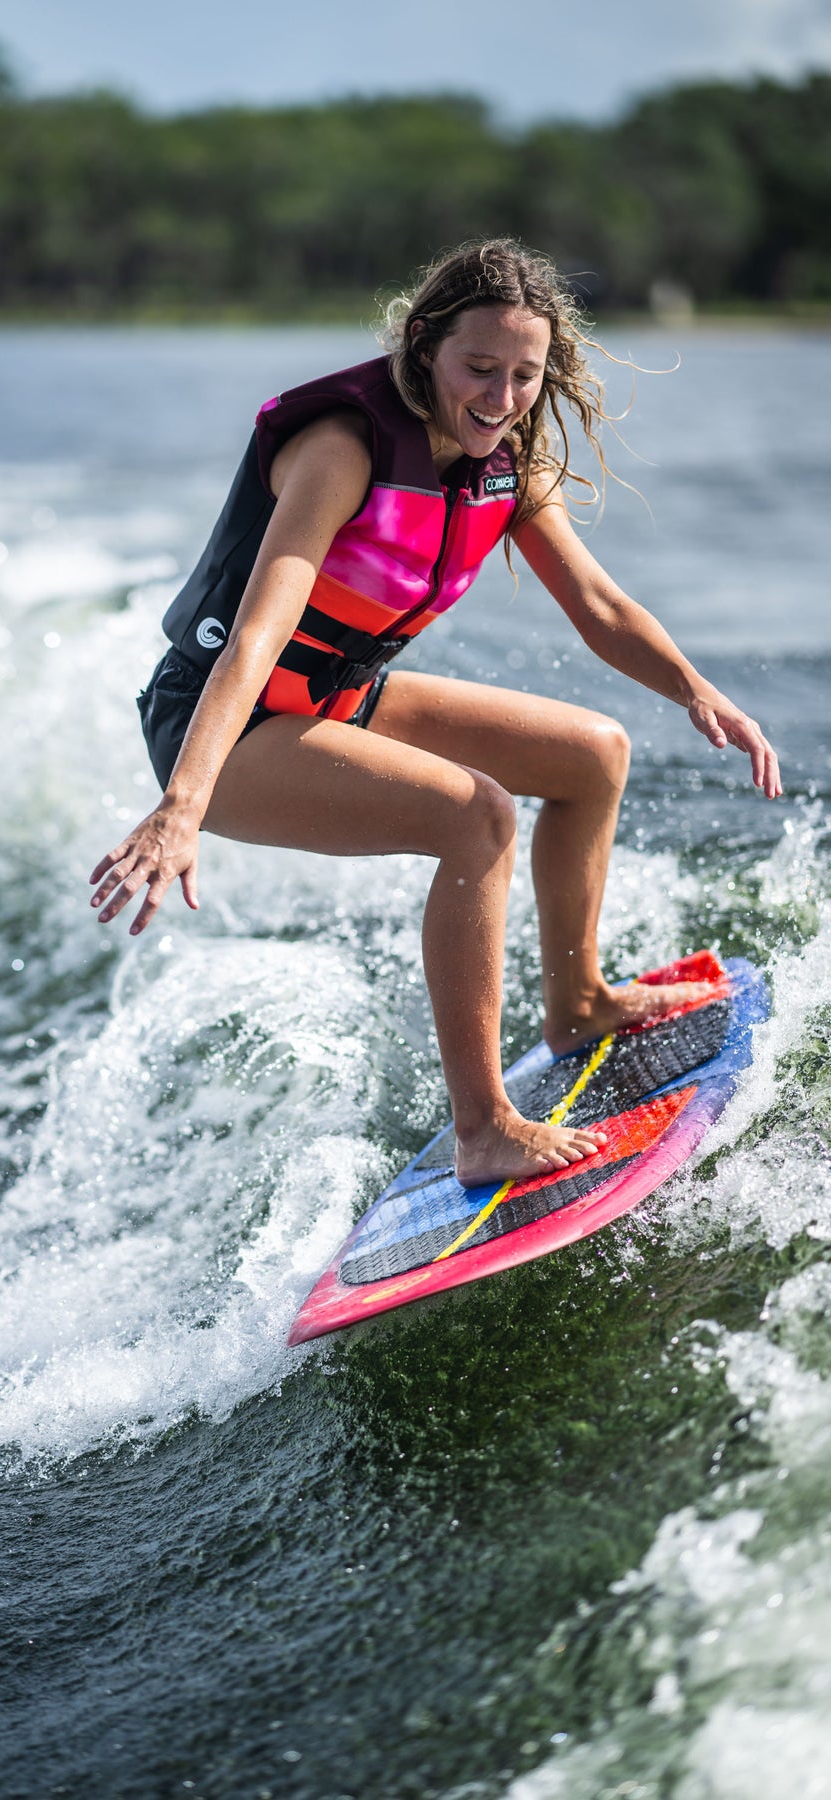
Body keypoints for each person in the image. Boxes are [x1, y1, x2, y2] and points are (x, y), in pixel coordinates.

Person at [89, 239, 781, 1187]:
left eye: (525, 376)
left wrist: (699, 692)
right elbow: (255, 635)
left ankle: (577, 1001)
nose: (501, 397)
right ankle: (485, 1125)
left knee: (593, 755)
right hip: (228, 723)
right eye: (479, 368)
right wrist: (181, 806)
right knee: (477, 814)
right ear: (424, 347)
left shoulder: (506, 459)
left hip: (337, 694)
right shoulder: (343, 448)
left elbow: (603, 609)